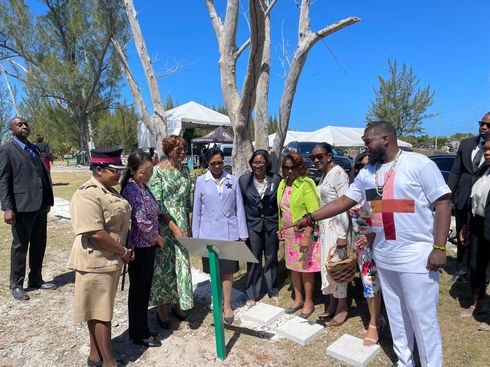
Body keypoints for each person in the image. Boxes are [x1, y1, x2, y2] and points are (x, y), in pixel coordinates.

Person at [291, 121, 451, 366]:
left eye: (368, 141)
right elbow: (344, 200)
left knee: (422, 318)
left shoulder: (419, 163)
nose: (364, 146)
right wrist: (311, 217)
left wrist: (439, 248)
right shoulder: (368, 173)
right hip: (385, 256)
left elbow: (443, 202)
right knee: (397, 317)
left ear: (386, 139)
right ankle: (404, 361)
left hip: (416, 256)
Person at [67, 148, 133, 367]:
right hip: (95, 261)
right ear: (98, 169)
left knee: (98, 310)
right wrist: (123, 251)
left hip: (108, 260)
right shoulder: (87, 193)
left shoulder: (108, 190)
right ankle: (109, 361)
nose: (118, 174)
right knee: (101, 313)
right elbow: (94, 231)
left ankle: (96, 356)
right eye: (114, 170)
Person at [0, 116, 56, 301]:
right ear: (12, 129)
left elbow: (41, 174)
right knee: (20, 246)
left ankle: (36, 279)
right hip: (22, 207)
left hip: (40, 206)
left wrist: (48, 200)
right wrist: (7, 208)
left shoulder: (34, 148)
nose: (24, 126)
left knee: (40, 244)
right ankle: (16, 284)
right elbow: (3, 181)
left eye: (25, 124)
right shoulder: (7, 150)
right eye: (19, 125)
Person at [192, 147, 248, 324]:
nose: (217, 166)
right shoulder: (201, 181)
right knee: (214, 272)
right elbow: (197, 210)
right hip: (208, 233)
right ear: (207, 164)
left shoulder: (232, 179)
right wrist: (196, 235)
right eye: (213, 163)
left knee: (228, 271)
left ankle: (227, 305)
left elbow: (239, 207)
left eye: (220, 162)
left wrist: (242, 232)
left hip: (229, 232)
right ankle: (216, 302)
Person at [149, 136, 194, 328]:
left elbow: (186, 201)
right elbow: (156, 204)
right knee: (164, 266)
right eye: (178, 150)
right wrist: (173, 226)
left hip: (181, 221)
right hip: (164, 223)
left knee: (182, 263)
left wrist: (187, 225)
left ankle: (178, 303)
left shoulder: (185, 170)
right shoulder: (157, 171)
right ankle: (162, 308)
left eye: (184, 149)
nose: (182, 152)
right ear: (169, 151)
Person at [121, 149, 164, 347]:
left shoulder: (142, 186)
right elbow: (140, 221)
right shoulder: (131, 189)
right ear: (132, 170)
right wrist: (156, 237)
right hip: (141, 247)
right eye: (143, 172)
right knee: (139, 291)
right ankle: (139, 333)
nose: (148, 176)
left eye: (150, 171)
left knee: (143, 290)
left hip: (148, 245)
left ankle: (139, 329)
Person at [310, 143, 350, 327]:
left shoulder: (340, 174)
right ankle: (332, 303)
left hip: (337, 229)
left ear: (329, 156)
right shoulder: (325, 175)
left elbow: (344, 204)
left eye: (320, 156)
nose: (316, 160)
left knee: (338, 267)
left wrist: (343, 235)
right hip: (326, 228)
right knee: (328, 266)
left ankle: (342, 307)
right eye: (313, 157)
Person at [277, 152, 321, 319]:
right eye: (286, 167)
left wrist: (308, 235)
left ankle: (309, 302)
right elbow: (283, 209)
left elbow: (313, 212)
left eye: (293, 167)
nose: (289, 170)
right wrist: (281, 228)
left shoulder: (306, 183)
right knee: (294, 268)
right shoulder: (283, 184)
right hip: (289, 234)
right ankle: (298, 299)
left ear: (300, 166)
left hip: (303, 233)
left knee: (306, 268)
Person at [448, 113, 490, 283]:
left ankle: (482, 276)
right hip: (463, 198)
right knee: (462, 236)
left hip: (484, 203)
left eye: (488, 125)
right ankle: (461, 271)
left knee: (481, 239)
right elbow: (456, 171)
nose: (484, 127)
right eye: (482, 123)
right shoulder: (466, 144)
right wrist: (448, 195)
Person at [349, 151, 384, 345]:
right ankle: (376, 320)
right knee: (369, 284)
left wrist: (371, 235)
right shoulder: (354, 188)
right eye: (361, 166)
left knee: (380, 284)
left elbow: (383, 217)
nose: (365, 169)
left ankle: (374, 323)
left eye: (369, 165)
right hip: (361, 248)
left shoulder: (378, 188)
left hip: (379, 242)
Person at [239, 149, 282, 306]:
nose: (258, 165)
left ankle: (272, 288)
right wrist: (241, 229)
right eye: (255, 162)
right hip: (253, 225)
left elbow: (280, 204)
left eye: (261, 162)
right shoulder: (244, 180)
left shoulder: (276, 179)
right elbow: (240, 205)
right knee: (254, 258)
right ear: (251, 163)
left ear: (267, 163)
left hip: (271, 224)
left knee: (271, 257)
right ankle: (252, 292)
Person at [459, 135, 490, 324]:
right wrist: (466, 226)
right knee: (476, 267)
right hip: (478, 227)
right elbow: (474, 199)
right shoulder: (483, 170)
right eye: (485, 149)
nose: (487, 153)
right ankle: (478, 303)